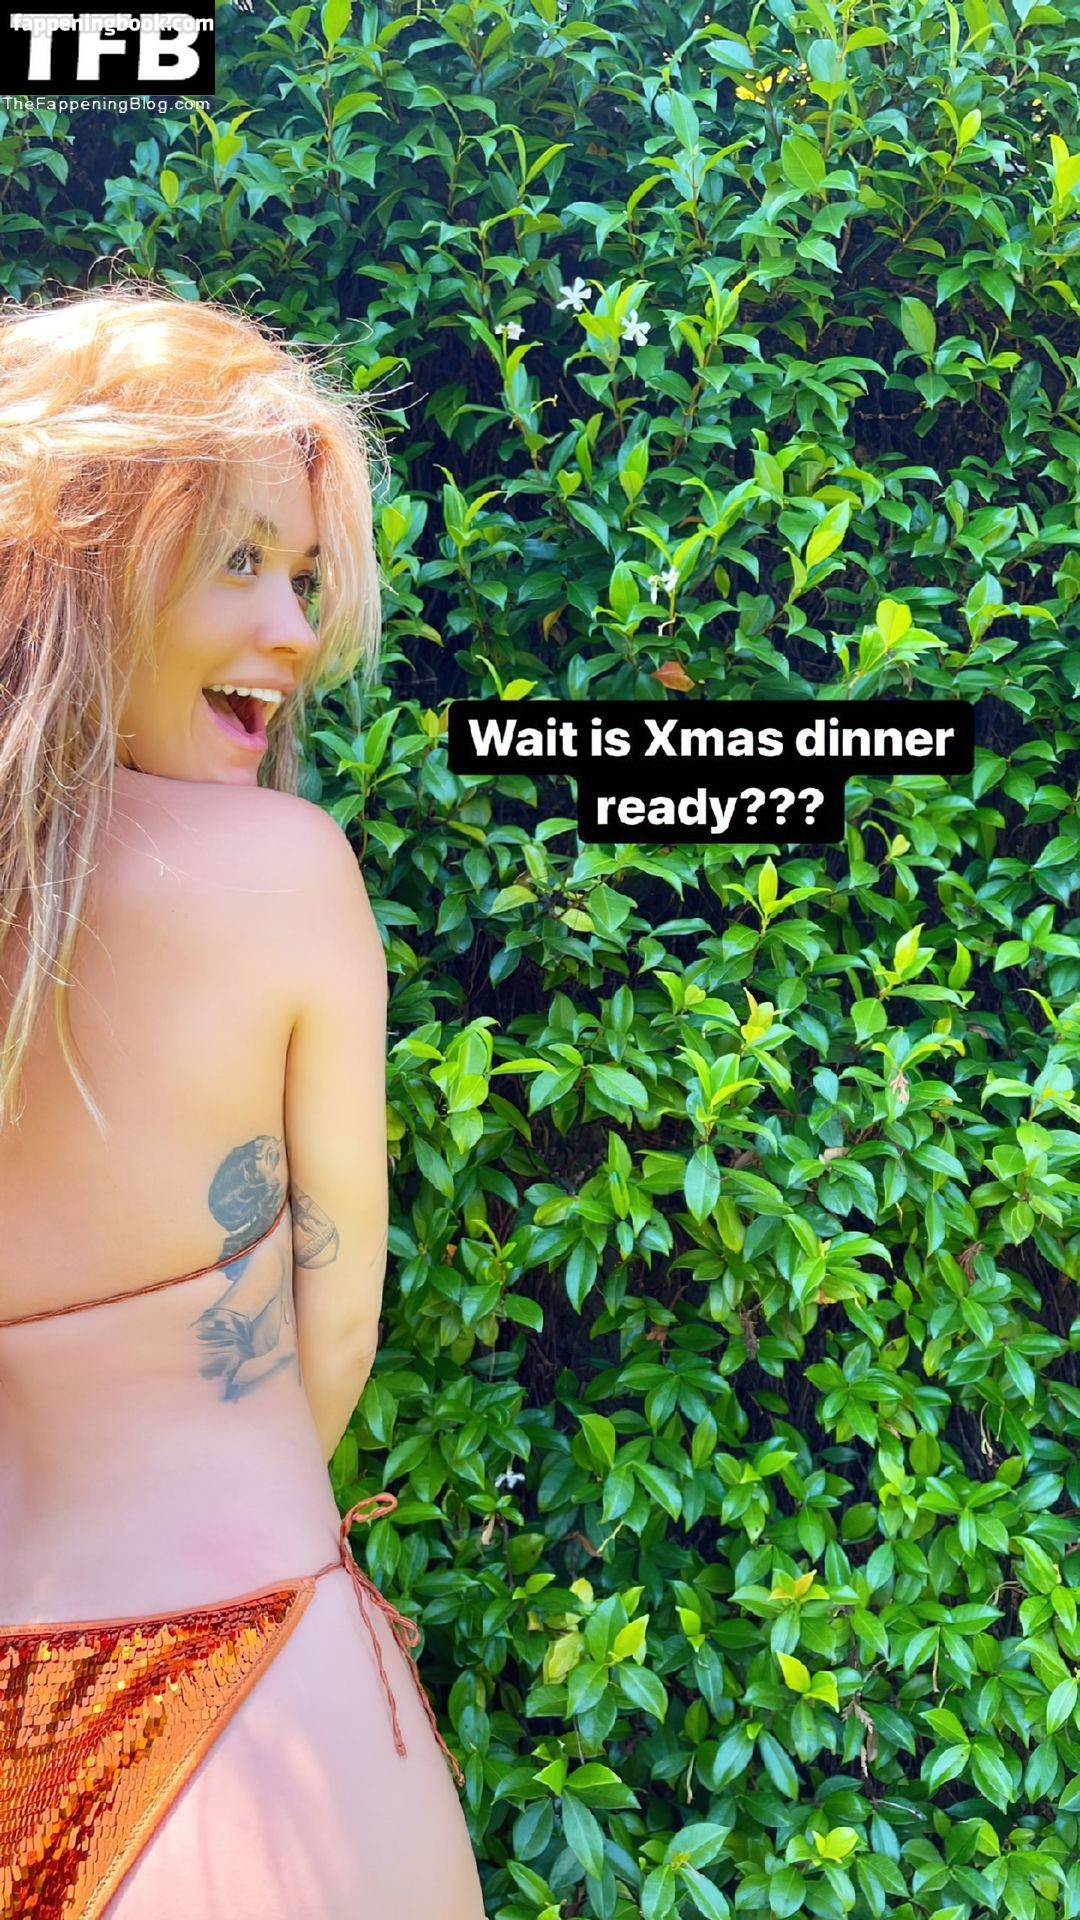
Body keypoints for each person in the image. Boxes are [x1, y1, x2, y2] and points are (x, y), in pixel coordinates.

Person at [0, 288, 486, 1919]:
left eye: (304, 579)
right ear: (76, 560)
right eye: (239, 562)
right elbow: (332, 1328)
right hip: (243, 1696)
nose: (294, 632)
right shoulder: (281, 875)